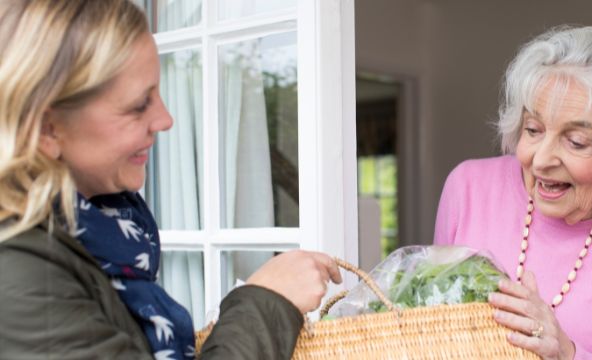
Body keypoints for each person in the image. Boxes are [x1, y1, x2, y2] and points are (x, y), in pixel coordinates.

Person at [0, 1, 341, 359]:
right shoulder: (19, 275)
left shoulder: (105, 235)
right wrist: (268, 301)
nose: (165, 119)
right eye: (137, 105)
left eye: (158, 93)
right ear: (47, 128)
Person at [434, 26, 592, 359]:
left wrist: (566, 353)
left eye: (575, 142)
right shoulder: (467, 188)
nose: (541, 160)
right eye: (533, 129)